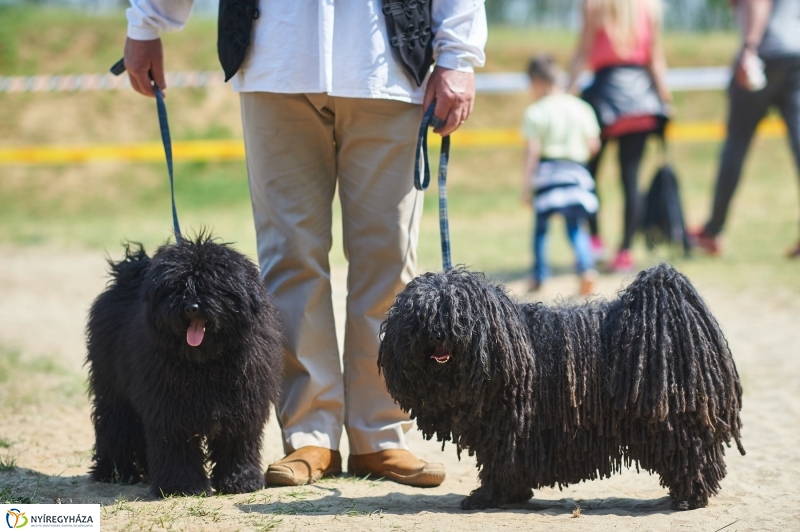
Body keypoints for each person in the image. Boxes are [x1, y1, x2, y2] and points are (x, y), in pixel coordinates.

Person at [122, 1, 487, 487]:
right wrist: (148, 22)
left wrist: (458, 57)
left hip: (389, 67)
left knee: (390, 261)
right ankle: (309, 435)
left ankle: (380, 435)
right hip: (276, 60)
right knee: (288, 259)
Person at [567, 0, 671, 272]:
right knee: (631, 177)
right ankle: (625, 251)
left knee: (589, 173)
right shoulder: (651, 7)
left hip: (603, 95)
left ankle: (595, 239)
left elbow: (583, 50)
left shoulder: (595, 5)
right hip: (640, 97)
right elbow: (655, 58)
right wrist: (665, 99)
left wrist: (567, 91)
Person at [692, 0, 800, 258]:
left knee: (736, 146)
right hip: (795, 55)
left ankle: (713, 230)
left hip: (764, 55)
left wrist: (749, 47)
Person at [522, 55, 600, 296]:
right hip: (576, 171)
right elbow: (594, 144)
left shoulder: (535, 111)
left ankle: (539, 275)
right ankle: (587, 269)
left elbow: (532, 151)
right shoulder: (581, 107)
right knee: (576, 227)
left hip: (548, 173)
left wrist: (526, 186)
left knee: (541, 229)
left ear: (536, 82)